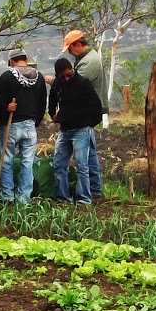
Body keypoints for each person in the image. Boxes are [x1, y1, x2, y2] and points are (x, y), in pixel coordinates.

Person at [58, 29, 107, 201]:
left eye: (70, 49)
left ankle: (86, 195)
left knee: (83, 162)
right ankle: (95, 190)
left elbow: (75, 85)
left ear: (78, 45)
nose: (70, 53)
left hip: (84, 115)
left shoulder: (89, 62)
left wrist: (55, 82)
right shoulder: (87, 59)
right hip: (84, 115)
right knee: (90, 154)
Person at [0, 50, 45, 203]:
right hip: (30, 125)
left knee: (6, 160)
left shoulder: (7, 76)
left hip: (11, 125)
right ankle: (23, 198)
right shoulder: (39, 77)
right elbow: (42, 103)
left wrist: (2, 115)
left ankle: (7, 195)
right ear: (26, 59)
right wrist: (35, 122)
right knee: (27, 162)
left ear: (11, 61)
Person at [51, 56, 102, 204]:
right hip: (65, 130)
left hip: (81, 129)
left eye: (69, 75)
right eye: (63, 76)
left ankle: (84, 199)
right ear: (58, 75)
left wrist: (89, 124)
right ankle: (62, 197)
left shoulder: (83, 83)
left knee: (82, 165)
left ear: (72, 70)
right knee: (59, 164)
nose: (66, 79)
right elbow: (52, 99)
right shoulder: (58, 85)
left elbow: (96, 107)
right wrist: (52, 114)